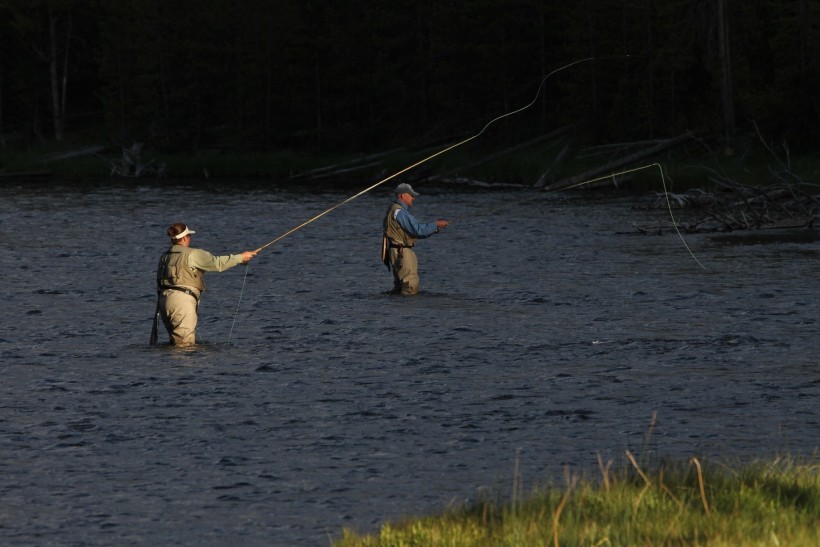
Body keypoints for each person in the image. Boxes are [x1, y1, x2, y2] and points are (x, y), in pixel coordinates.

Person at [151, 223, 256, 347]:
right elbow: (217, 263)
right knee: (185, 347)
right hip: (182, 302)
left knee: (175, 345)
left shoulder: (164, 256)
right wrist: (240, 257)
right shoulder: (193, 254)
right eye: (189, 235)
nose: (190, 238)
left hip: (164, 302)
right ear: (185, 238)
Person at [382, 183, 449, 295]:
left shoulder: (394, 210)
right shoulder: (400, 212)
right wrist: (436, 224)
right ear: (403, 196)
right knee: (410, 286)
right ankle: (408, 311)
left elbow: (416, 232)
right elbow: (417, 230)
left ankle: (395, 309)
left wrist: (434, 229)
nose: (413, 198)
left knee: (400, 288)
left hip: (397, 251)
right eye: (411, 195)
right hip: (402, 252)